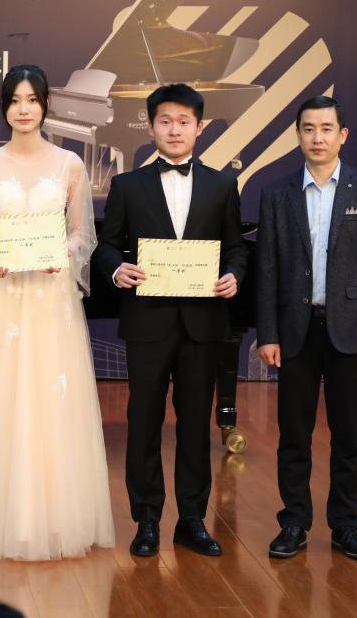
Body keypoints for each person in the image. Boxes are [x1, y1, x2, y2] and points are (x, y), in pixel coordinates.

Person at [0, 64, 114, 561]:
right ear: (4, 108)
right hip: (1, 298)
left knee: (51, 401)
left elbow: (82, 234)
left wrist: (63, 253)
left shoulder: (70, 165)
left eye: (32, 100)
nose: (23, 109)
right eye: (14, 100)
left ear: (45, 106)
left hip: (50, 298)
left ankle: (54, 520)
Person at [94, 83, 248, 558]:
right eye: (165, 121)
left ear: (199, 128)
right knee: (143, 421)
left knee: (195, 425)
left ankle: (193, 520)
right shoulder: (127, 185)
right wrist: (117, 270)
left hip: (203, 323)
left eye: (184, 122)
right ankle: (146, 520)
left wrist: (234, 275)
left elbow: (236, 247)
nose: (174, 130)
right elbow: (106, 245)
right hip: (147, 322)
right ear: (151, 127)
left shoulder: (222, 185)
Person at [255, 95, 357, 562]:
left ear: (343, 135)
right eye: (309, 128)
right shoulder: (277, 194)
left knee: (348, 435)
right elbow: (267, 270)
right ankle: (293, 522)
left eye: (327, 128)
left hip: (349, 331)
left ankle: (346, 525)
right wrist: (268, 333)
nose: (318, 137)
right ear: (298, 135)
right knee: (293, 434)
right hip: (295, 330)